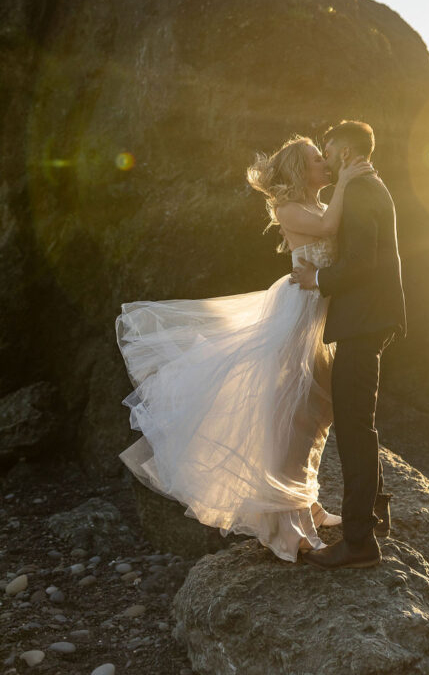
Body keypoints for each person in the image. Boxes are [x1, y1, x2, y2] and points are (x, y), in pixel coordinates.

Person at [115, 136, 372, 563]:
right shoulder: (289, 209)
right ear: (297, 170)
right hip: (299, 315)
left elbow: (337, 232)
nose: (325, 164)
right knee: (291, 415)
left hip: (323, 318)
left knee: (317, 414)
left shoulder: (322, 205)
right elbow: (329, 232)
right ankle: (282, 524)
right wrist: (347, 179)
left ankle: (305, 501)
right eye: (316, 160)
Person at [290, 120, 407, 569]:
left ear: (343, 148)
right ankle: (374, 514)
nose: (325, 152)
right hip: (370, 318)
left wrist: (316, 278)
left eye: (328, 146)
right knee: (360, 421)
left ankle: (359, 543)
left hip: (363, 320)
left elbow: (362, 262)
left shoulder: (360, 188)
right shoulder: (369, 184)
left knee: (356, 428)